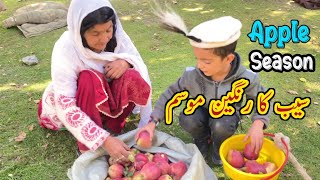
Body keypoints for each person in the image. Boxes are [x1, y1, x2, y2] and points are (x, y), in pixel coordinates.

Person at [138, 11, 271, 165]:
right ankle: (201, 139)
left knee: (222, 124)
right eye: (198, 59)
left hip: (225, 116)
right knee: (188, 118)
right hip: (199, 112)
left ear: (228, 59)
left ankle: (218, 146)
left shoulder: (247, 78)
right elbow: (170, 94)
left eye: (207, 62)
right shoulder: (192, 75)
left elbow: (262, 100)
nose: (200, 65)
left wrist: (258, 123)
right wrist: (152, 121)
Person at [37, 0, 152, 164]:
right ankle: (87, 145)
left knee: (132, 75)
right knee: (88, 78)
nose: (104, 38)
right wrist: (104, 141)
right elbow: (66, 104)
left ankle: (112, 127)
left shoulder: (118, 37)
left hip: (105, 101)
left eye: (108, 29)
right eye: (95, 33)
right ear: (80, 31)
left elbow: (137, 61)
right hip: (80, 104)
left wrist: (125, 62)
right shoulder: (66, 48)